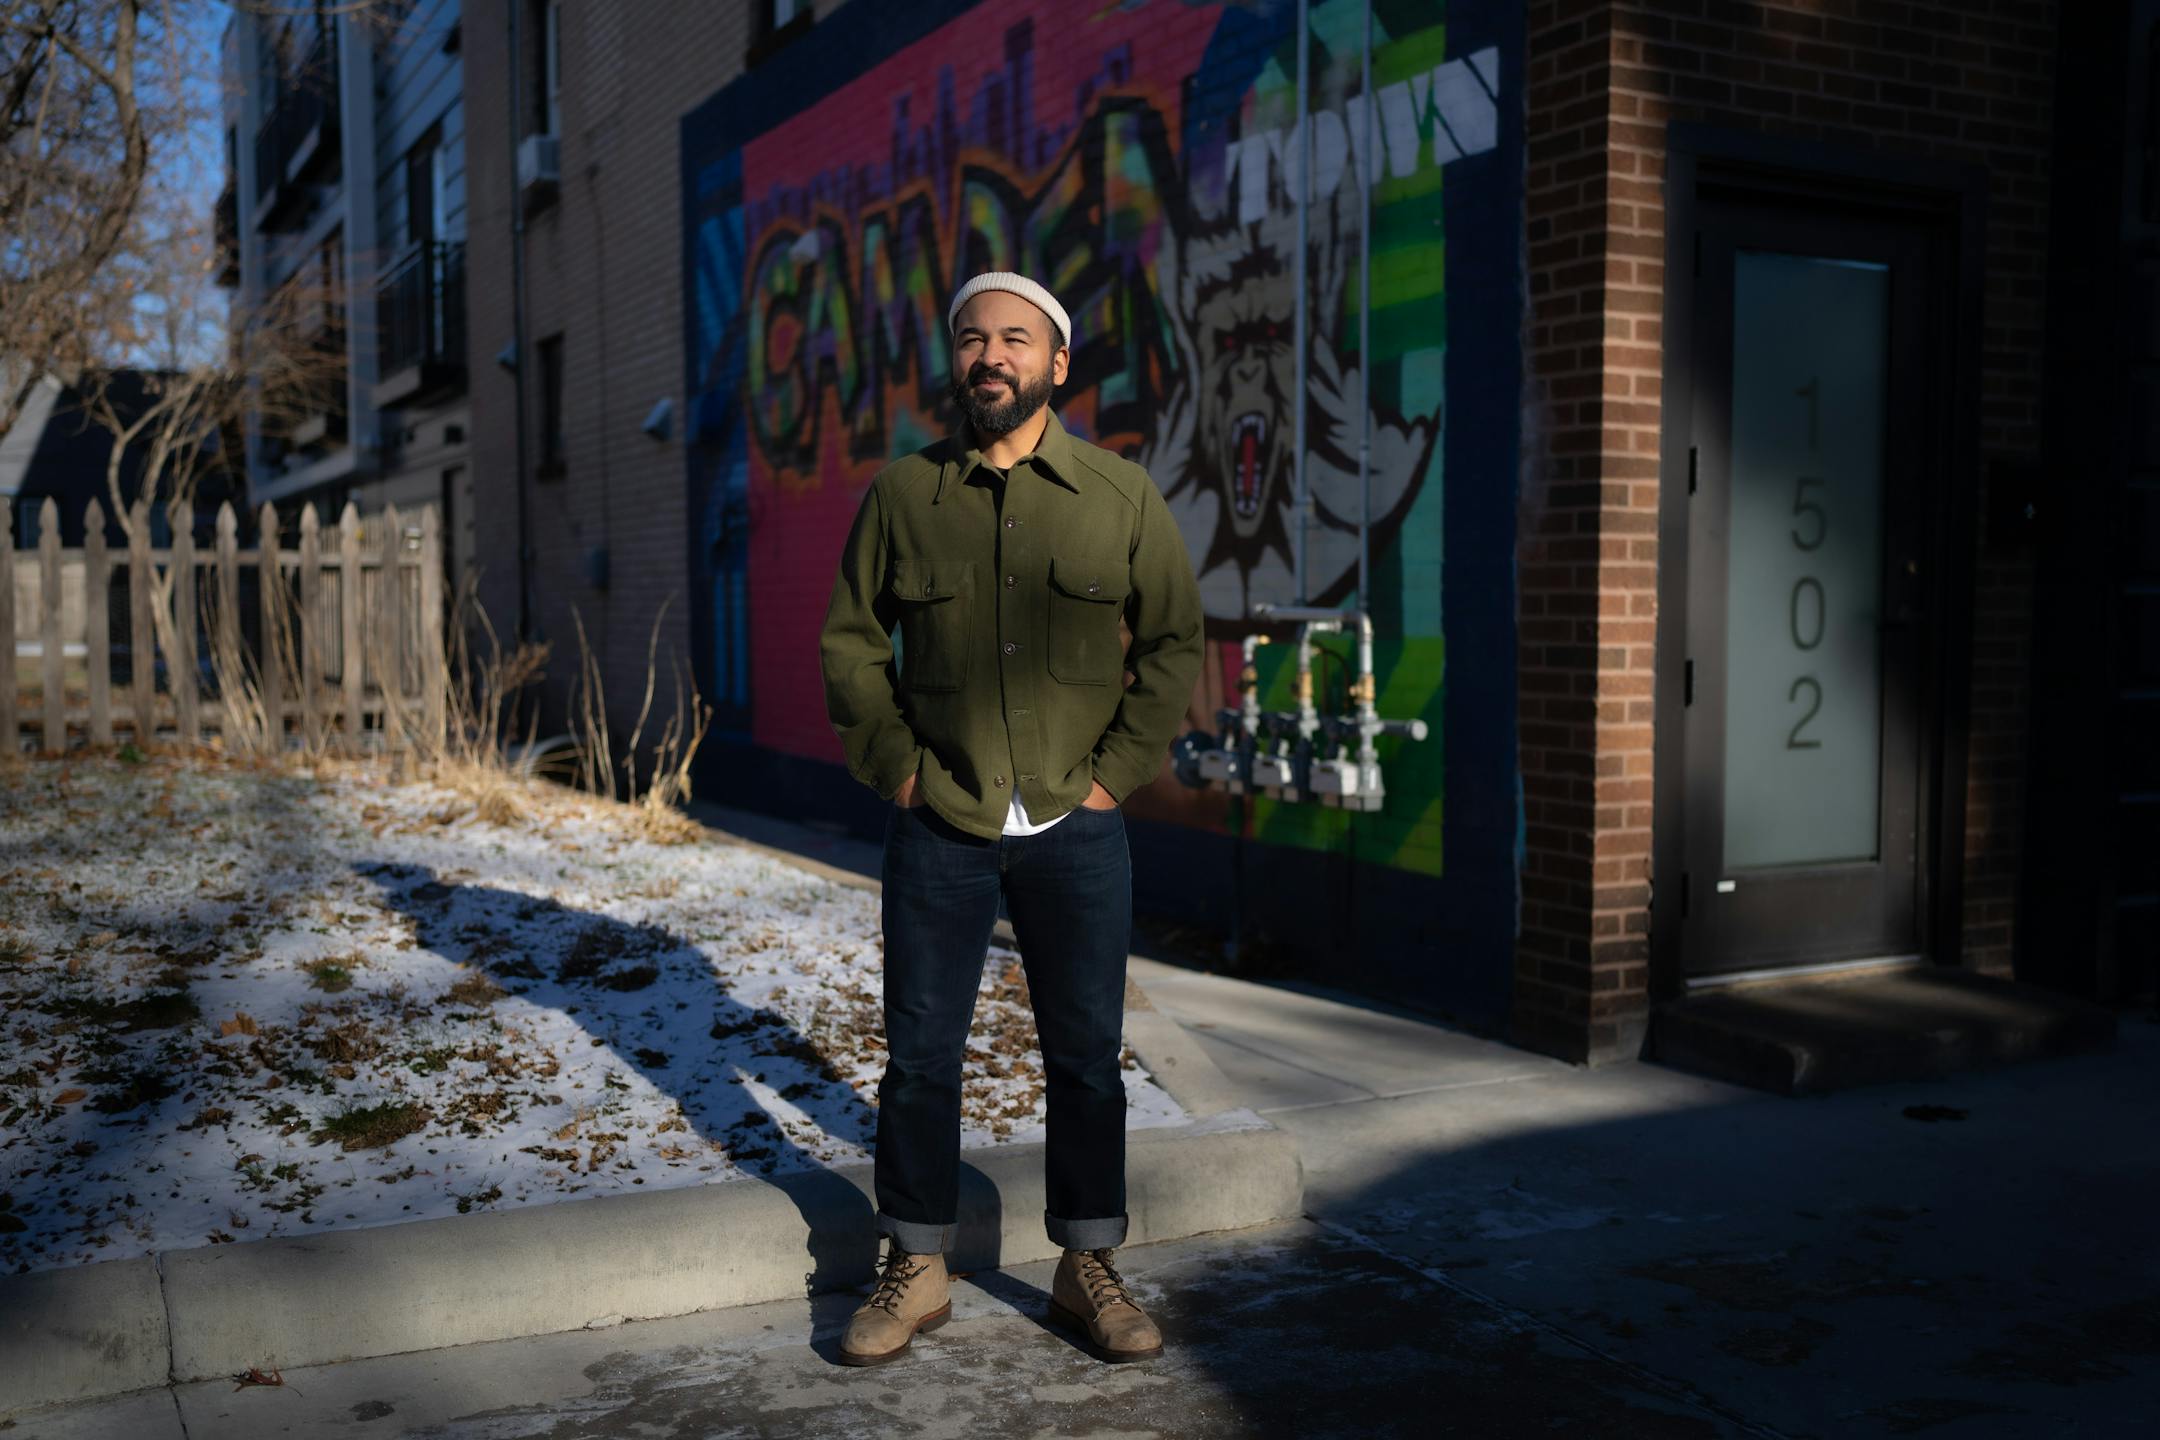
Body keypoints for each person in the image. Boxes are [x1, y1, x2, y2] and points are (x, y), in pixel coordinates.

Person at [818, 271, 1205, 1365]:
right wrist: (898, 771)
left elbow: (1174, 642)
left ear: (1057, 363)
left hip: (1076, 829)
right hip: (940, 820)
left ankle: (1087, 1263)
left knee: (1085, 1056)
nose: (992, 356)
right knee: (920, 1057)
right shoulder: (903, 496)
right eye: (974, 338)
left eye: (1017, 340)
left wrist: (1113, 776)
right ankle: (918, 1261)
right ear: (957, 360)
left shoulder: (1121, 498)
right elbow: (851, 644)